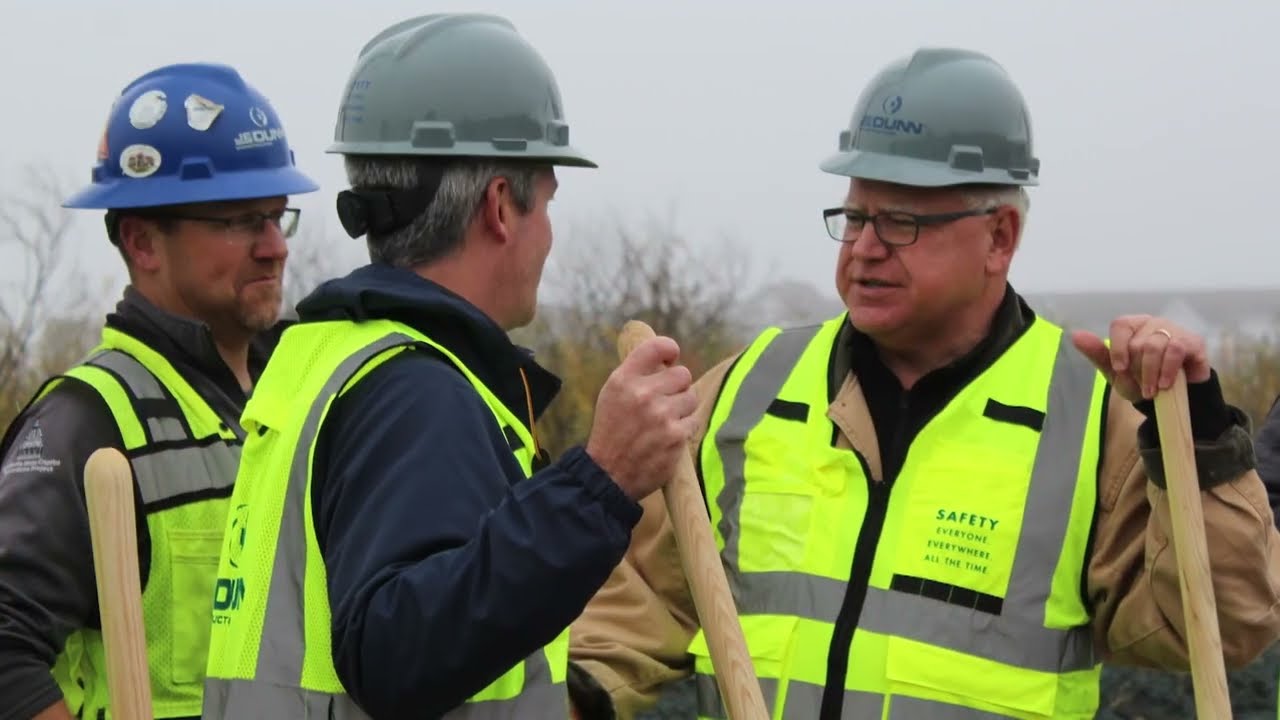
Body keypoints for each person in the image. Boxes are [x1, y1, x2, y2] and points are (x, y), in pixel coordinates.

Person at [568, 47, 1280, 720]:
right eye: (853, 217)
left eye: (901, 221)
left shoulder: (1090, 422)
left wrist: (1203, 438)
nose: (865, 249)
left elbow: (1217, 628)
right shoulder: (751, 389)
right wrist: (576, 694)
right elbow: (640, 600)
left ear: (999, 238)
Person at [201, 13, 698, 720]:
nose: (550, 235)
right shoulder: (415, 390)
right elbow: (396, 652)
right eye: (547, 202)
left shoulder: (333, 356)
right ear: (501, 205)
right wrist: (602, 483)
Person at [0, 62, 318, 720]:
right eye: (238, 221)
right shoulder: (87, 422)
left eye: (276, 216)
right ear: (143, 242)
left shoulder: (295, 400)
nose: (273, 248)